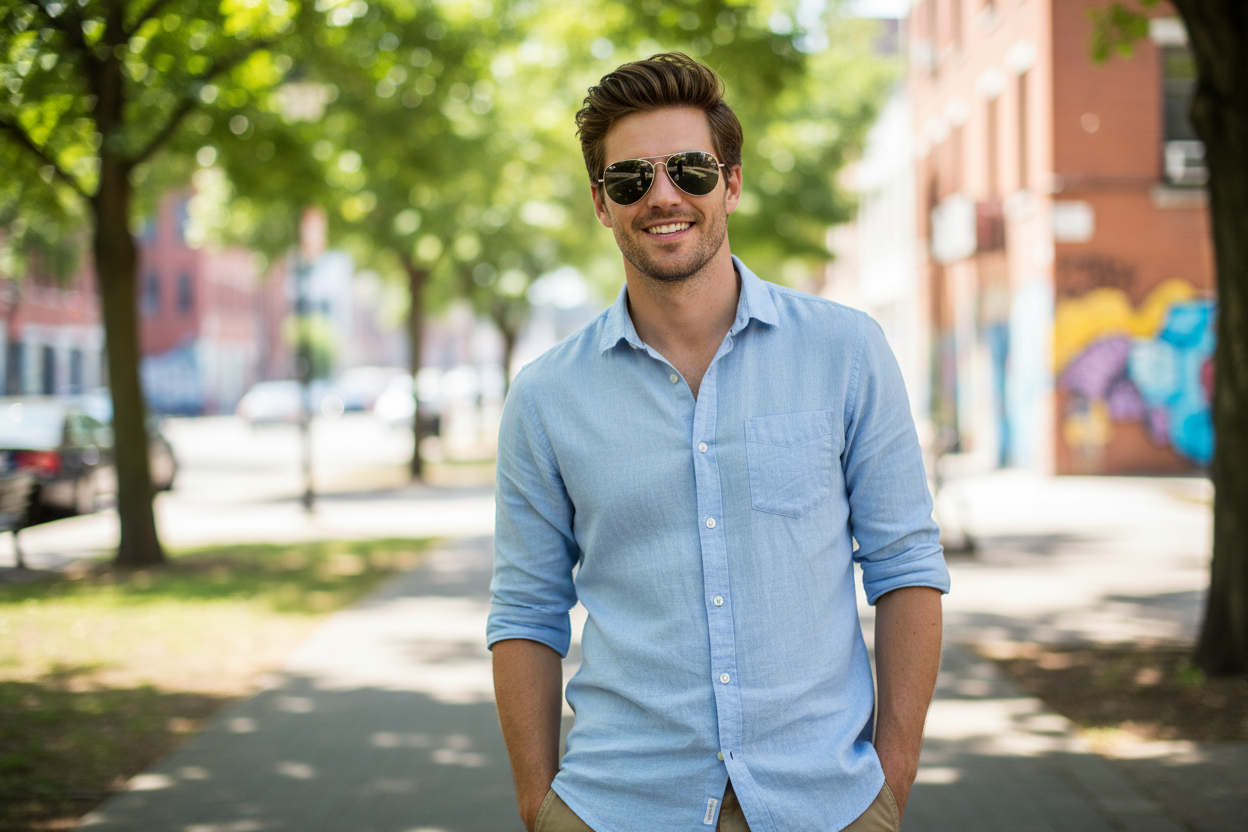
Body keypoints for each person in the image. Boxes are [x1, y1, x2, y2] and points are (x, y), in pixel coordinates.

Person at [488, 52, 949, 832]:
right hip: (615, 806)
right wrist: (538, 806)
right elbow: (528, 611)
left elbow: (905, 565)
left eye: (690, 169)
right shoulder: (546, 395)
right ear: (603, 204)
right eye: (631, 179)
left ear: (730, 184)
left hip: (826, 804)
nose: (663, 196)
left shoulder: (845, 351)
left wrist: (891, 778)